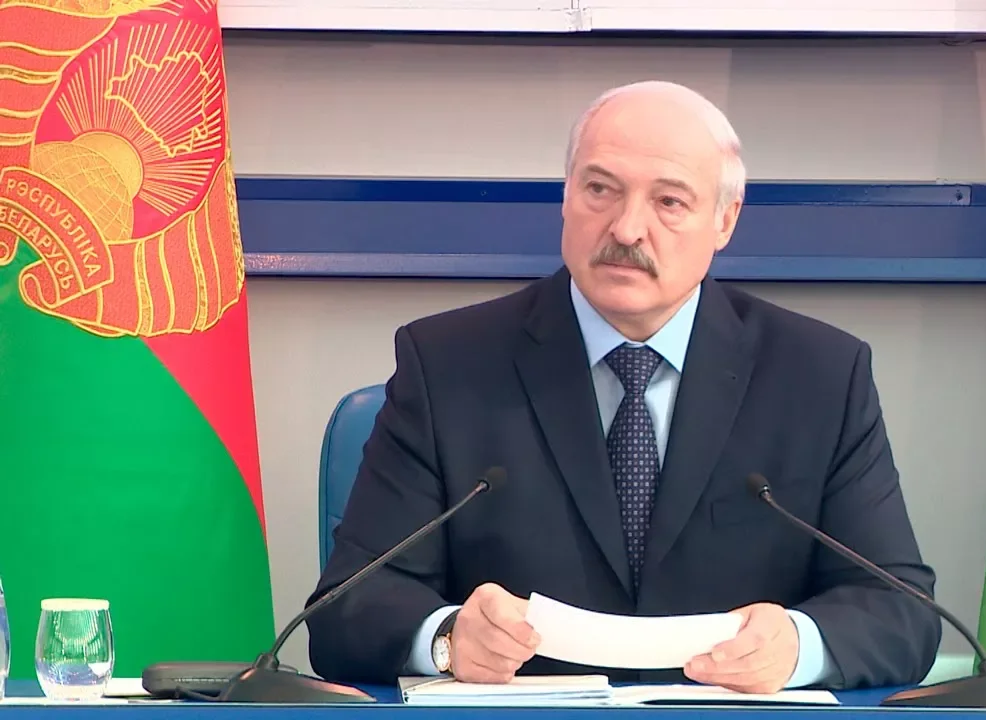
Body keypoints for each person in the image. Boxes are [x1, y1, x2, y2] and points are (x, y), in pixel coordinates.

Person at [305, 80, 942, 694]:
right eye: (600, 189)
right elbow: (346, 609)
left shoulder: (820, 375)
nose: (627, 229)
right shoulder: (447, 365)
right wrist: (447, 639)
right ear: (566, 197)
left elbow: (902, 612)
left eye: (669, 202)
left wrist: (797, 646)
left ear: (725, 220)